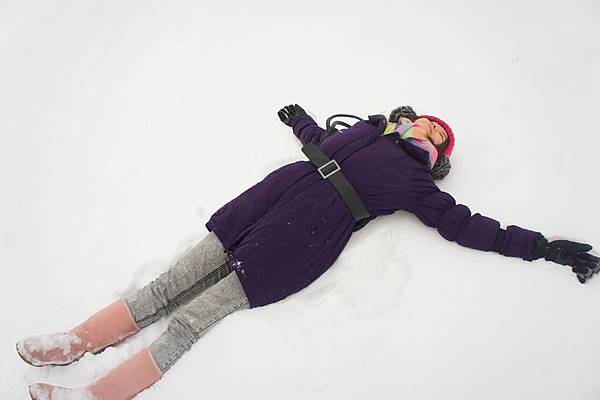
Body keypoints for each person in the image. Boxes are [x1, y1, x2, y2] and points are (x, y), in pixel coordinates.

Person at [17, 105, 599, 400]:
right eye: (424, 119)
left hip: (297, 243)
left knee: (191, 319)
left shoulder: (418, 186)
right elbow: (323, 146)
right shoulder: (368, 131)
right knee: (168, 286)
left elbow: (470, 226)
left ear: (438, 157)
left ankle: (95, 396)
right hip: (260, 206)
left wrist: (543, 247)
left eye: (438, 135)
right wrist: (305, 126)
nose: (427, 127)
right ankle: (74, 342)